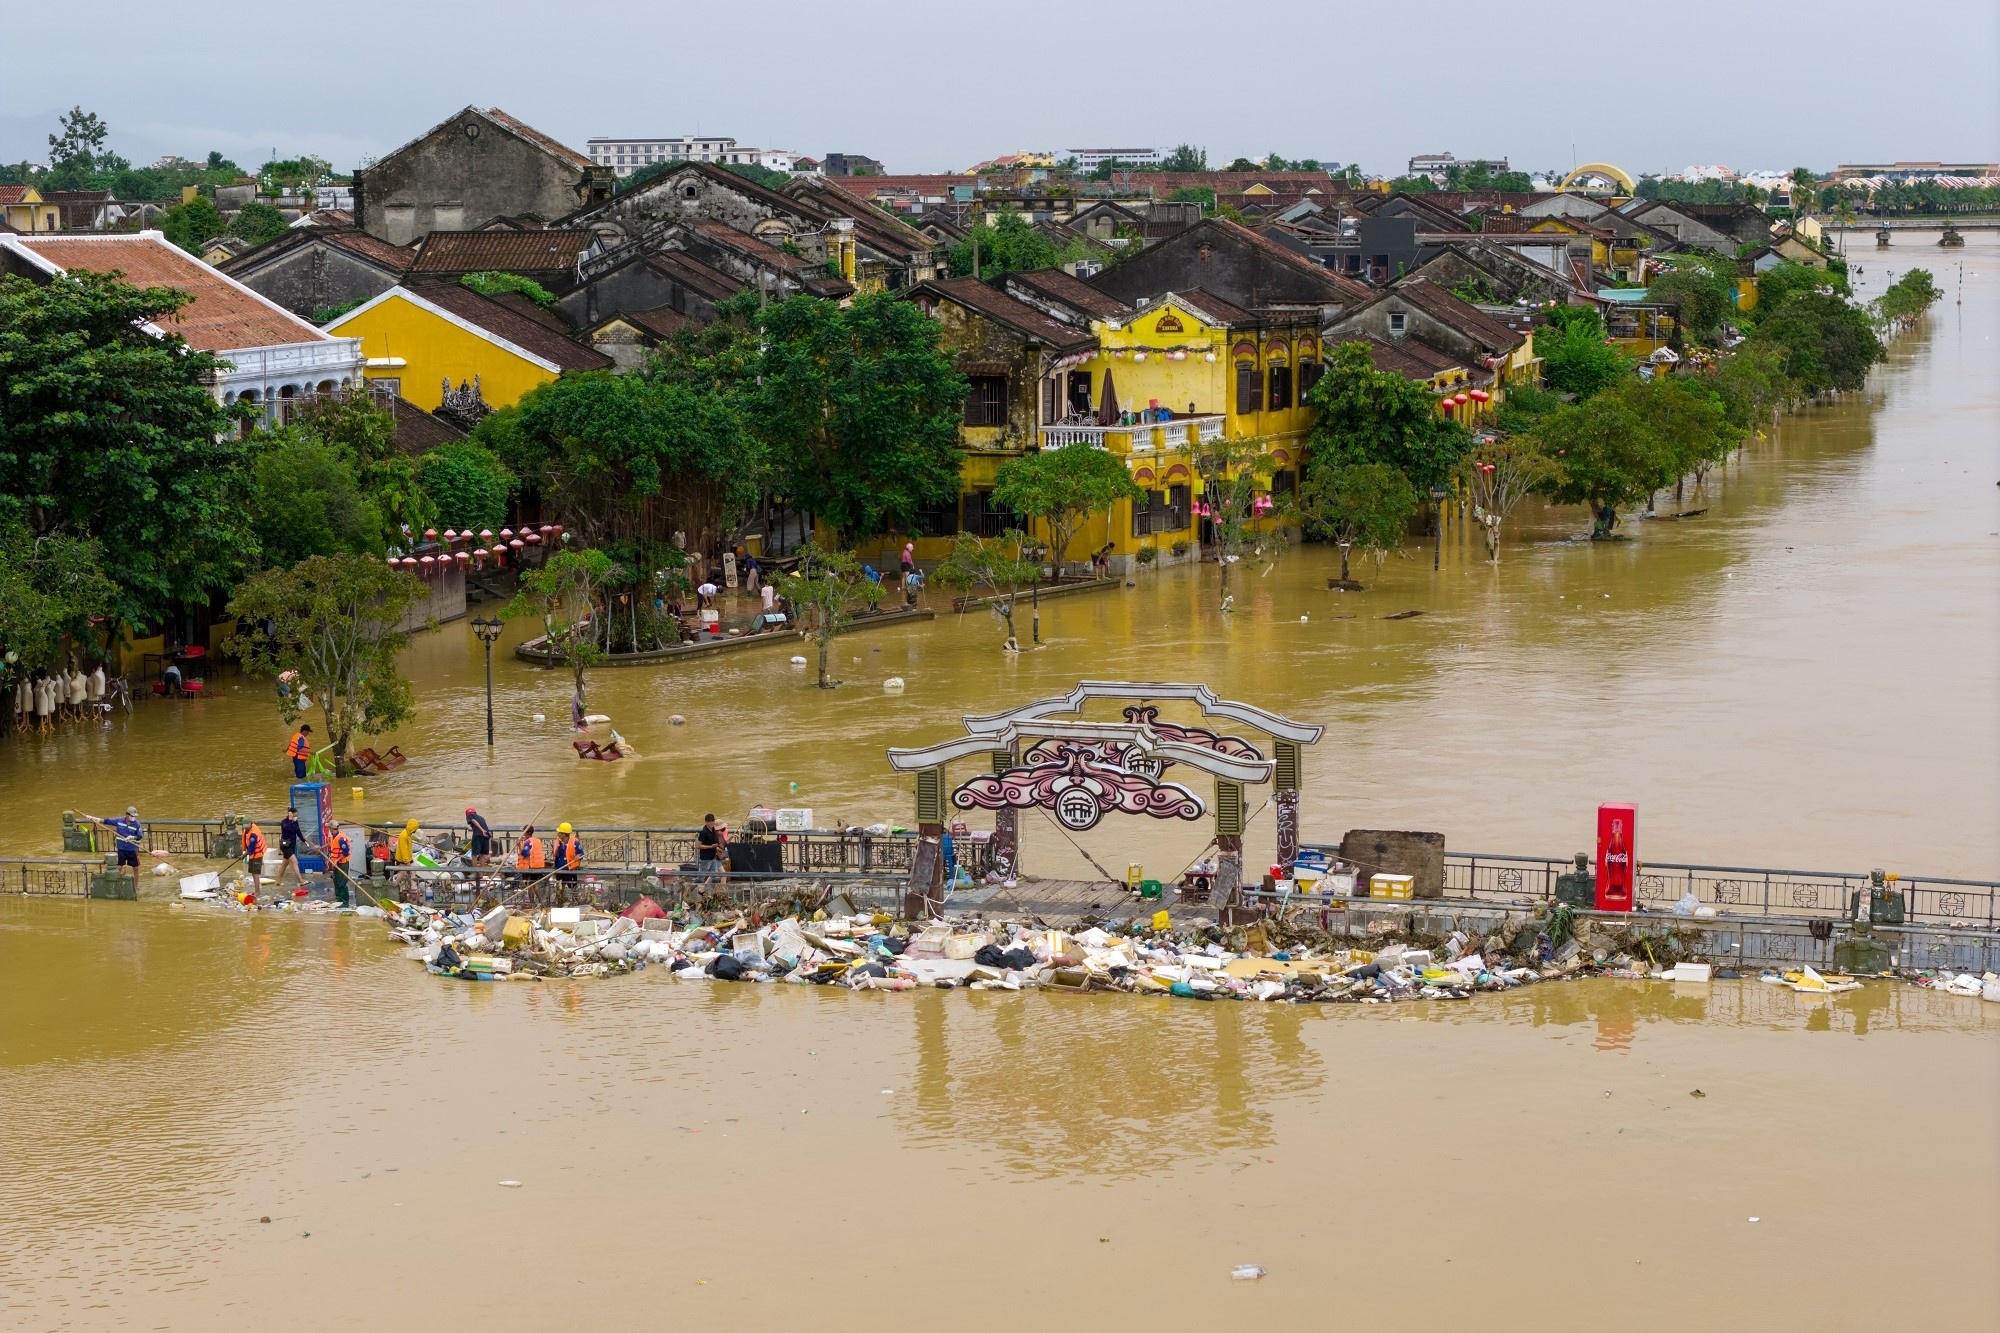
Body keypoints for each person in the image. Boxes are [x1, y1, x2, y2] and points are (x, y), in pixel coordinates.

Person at [92, 806, 143, 895]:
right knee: (119, 867)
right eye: (131, 815)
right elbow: (106, 821)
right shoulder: (119, 821)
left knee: (136, 868)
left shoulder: (137, 824)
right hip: (121, 848)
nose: (133, 818)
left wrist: (132, 837)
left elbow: (140, 836)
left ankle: (135, 887)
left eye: (134, 816)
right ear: (127, 814)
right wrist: (94, 819)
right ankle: (114, 884)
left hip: (132, 849)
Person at [325, 823, 355, 907]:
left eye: (329, 828)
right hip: (335, 863)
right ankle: (338, 899)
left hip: (342, 863)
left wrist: (337, 860)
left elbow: (345, 853)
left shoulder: (341, 838)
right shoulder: (333, 836)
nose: (328, 829)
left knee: (342, 883)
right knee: (336, 881)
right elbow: (330, 845)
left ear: (331, 828)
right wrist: (321, 847)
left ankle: (345, 902)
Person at [551, 823, 583, 899]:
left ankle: (576, 901)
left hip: (569, 869)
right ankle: (560, 900)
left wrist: (578, 856)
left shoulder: (574, 842)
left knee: (572, 887)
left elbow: (581, 853)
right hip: (559, 869)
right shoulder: (558, 842)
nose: (557, 833)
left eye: (559, 832)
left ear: (564, 834)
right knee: (560, 886)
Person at [275, 806, 303, 891]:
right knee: (295, 862)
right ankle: (301, 881)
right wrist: (290, 819)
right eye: (294, 815)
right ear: (291, 814)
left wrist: (304, 840)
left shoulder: (295, 822)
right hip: (285, 846)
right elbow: (288, 829)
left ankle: (278, 881)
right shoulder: (285, 822)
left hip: (291, 845)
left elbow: (298, 832)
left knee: (284, 864)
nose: (295, 817)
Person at [392, 818, 420, 898]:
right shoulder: (404, 835)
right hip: (403, 859)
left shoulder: (408, 834)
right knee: (404, 874)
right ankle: (396, 886)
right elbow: (404, 849)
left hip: (406, 858)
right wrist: (407, 861)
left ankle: (404, 889)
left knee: (406, 874)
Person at [241, 821, 267, 899]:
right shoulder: (248, 829)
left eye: (247, 826)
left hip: (257, 855)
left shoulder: (253, 834)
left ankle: (257, 892)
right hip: (252, 855)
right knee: (253, 873)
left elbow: (252, 848)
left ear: (250, 824)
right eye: (244, 826)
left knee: (256, 874)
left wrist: (243, 856)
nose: (245, 828)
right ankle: (256, 891)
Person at [696, 813, 724, 880]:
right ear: (706, 822)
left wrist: (717, 848)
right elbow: (697, 845)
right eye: (709, 821)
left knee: (715, 878)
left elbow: (713, 843)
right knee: (700, 878)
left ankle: (713, 890)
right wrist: (711, 847)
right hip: (705, 859)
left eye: (712, 820)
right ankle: (688, 890)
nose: (711, 823)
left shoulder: (713, 829)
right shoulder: (704, 832)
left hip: (712, 857)